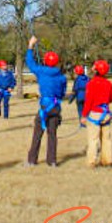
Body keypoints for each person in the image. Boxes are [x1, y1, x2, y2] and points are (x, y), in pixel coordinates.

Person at [24, 35, 67, 167]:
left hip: (44, 106)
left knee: (37, 133)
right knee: (52, 134)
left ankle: (32, 160)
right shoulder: (61, 76)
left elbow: (30, 63)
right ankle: (52, 161)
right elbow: (62, 93)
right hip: (55, 107)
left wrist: (30, 46)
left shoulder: (41, 71)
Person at [81, 59, 112, 168]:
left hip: (95, 114)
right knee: (106, 139)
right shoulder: (108, 83)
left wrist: (84, 115)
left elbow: (88, 101)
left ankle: (91, 161)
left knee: (93, 139)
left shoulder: (91, 84)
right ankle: (107, 160)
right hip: (106, 113)